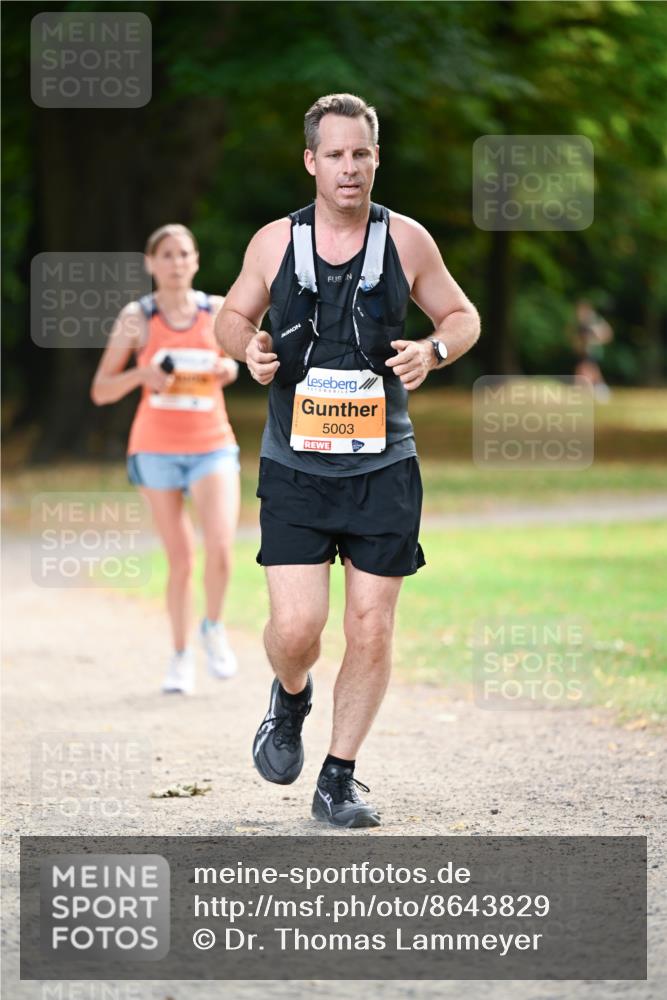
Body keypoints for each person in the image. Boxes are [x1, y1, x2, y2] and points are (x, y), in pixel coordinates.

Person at [216, 93, 480, 828]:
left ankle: (338, 776)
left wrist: (432, 349)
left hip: (383, 467)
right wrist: (250, 347)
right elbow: (229, 316)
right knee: (297, 630)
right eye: (334, 154)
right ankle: (290, 693)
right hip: (295, 467)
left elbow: (462, 317)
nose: (349, 168)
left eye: (360, 153)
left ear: (374, 158)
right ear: (311, 162)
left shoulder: (406, 241)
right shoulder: (275, 243)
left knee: (371, 626)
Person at [91, 224, 241, 694]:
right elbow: (100, 391)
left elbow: (244, 362)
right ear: (150, 264)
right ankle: (179, 658)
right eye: (167, 255)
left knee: (219, 546)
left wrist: (227, 368)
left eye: (184, 254)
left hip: (212, 444)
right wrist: (142, 373)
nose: (176, 263)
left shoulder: (216, 310)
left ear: (196, 261)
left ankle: (212, 627)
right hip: (155, 449)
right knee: (180, 558)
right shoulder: (137, 318)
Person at [572, 299, 614, 402]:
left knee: (585, 371)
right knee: (589, 371)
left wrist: (596, 341)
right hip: (587, 352)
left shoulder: (592, 321)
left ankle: (593, 392)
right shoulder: (584, 322)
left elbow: (607, 333)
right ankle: (600, 391)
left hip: (591, 352)